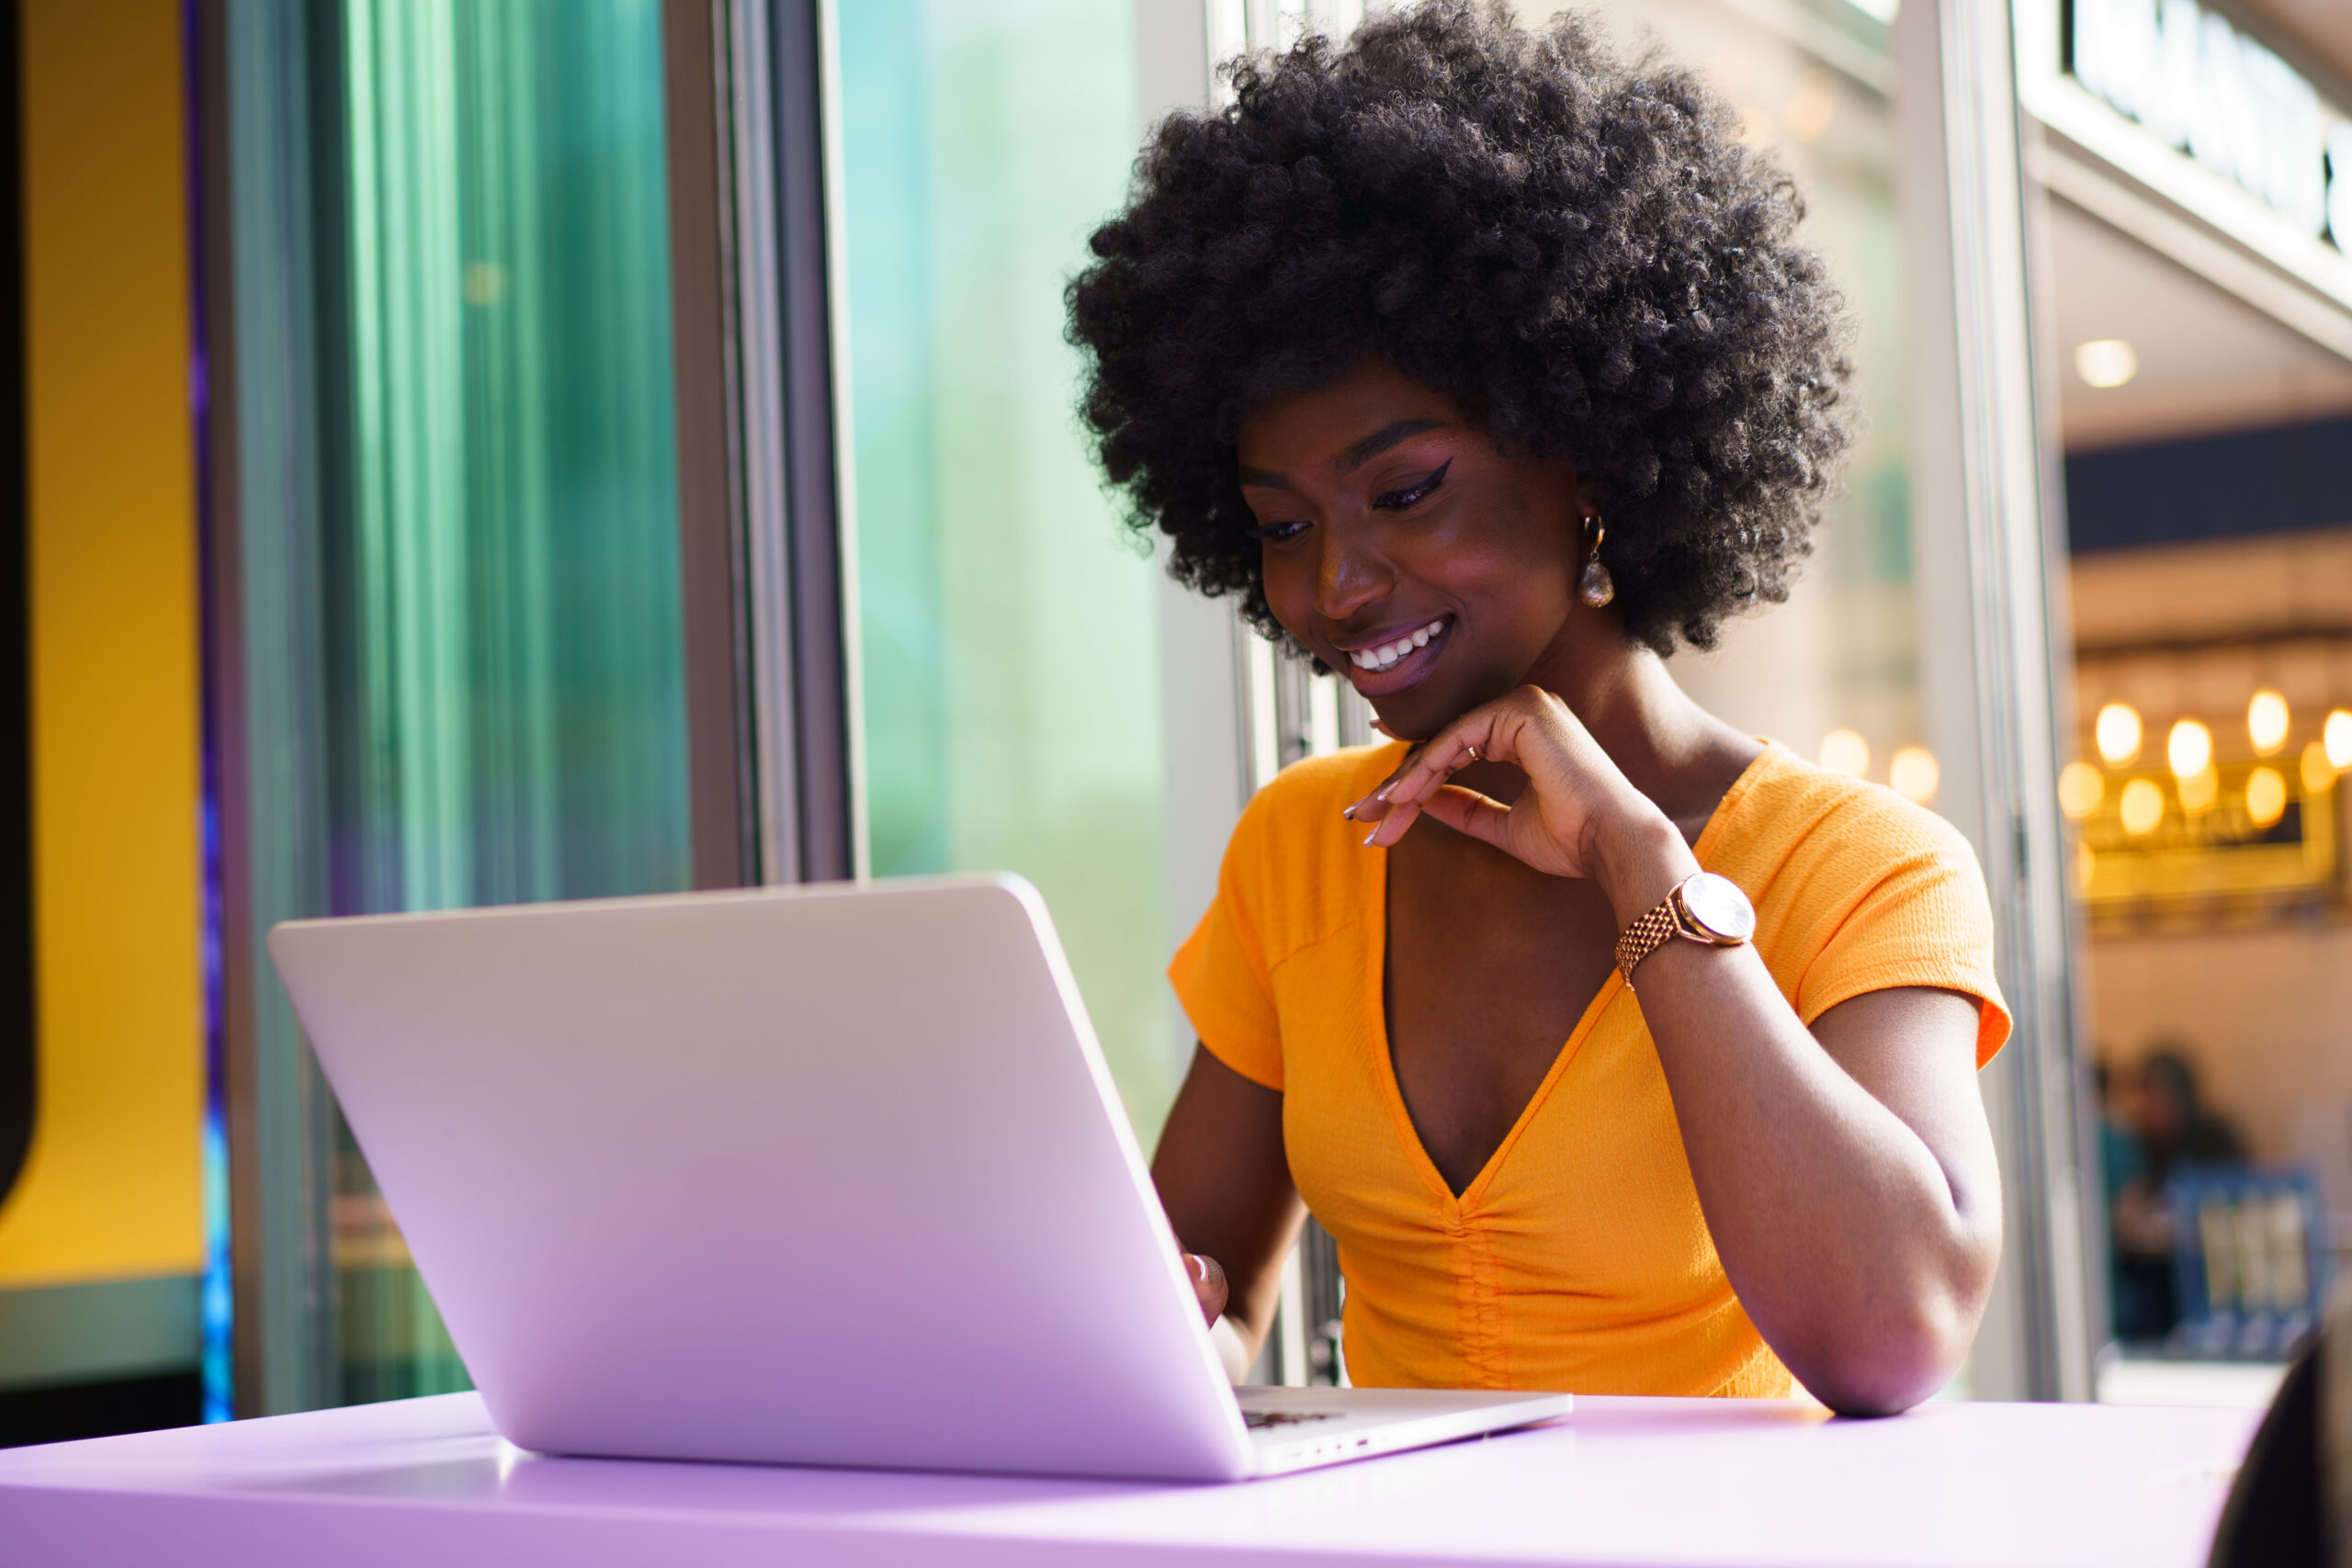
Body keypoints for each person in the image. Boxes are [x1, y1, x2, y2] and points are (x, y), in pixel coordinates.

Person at [1067, 2, 2008, 1416]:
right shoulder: (1305, 851)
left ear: (1588, 449)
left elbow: (1894, 1337)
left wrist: (1641, 863)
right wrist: (1164, 1340)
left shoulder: (1859, 868)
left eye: (1404, 493)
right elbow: (1208, 1296)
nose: (1336, 585)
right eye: (1279, 526)